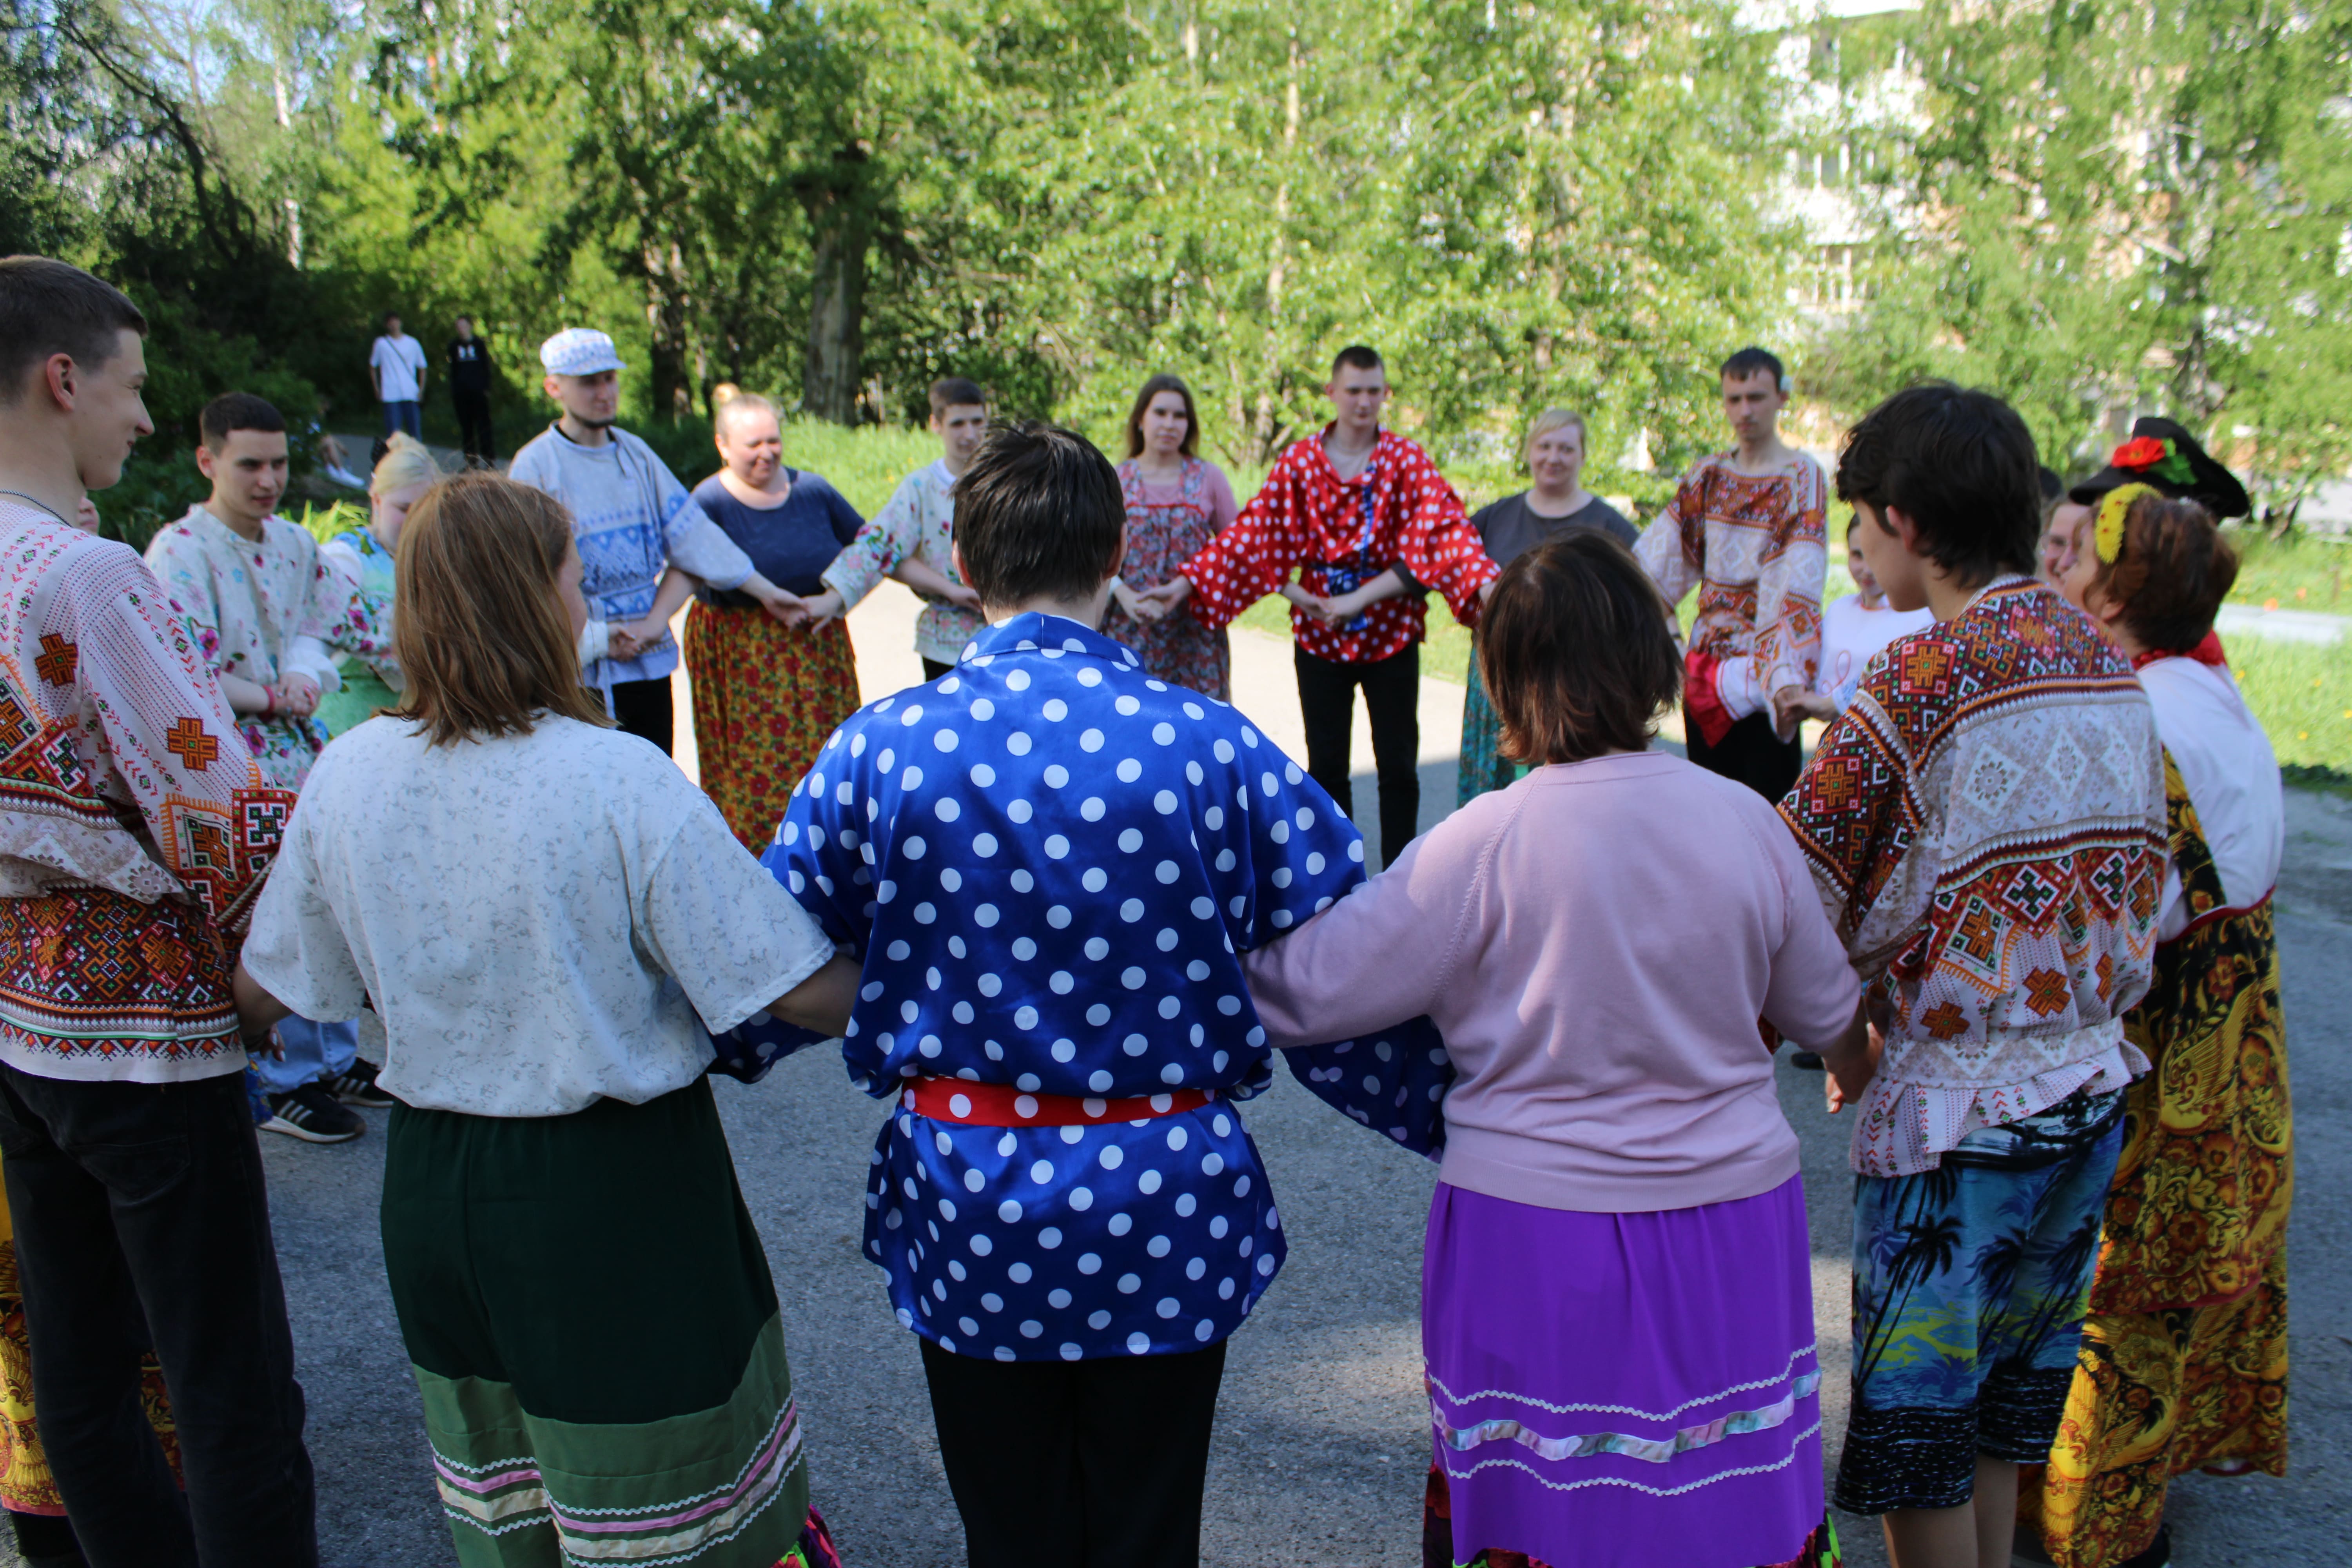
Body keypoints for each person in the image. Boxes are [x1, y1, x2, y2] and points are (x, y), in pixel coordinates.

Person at [756, 421, 1446, 1568]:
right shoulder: (1209, 746)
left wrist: (915, 1003)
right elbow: (1351, 955)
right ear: (1117, 560)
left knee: (1009, 1531)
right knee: (1145, 1531)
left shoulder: (883, 747)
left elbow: (766, 966)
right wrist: (1460, 1104)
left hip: (969, 1199)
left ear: (966, 569)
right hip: (1167, 1198)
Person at [232, 472, 858, 1568]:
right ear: (536, 598)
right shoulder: (616, 778)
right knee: (669, 1513)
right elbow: (789, 987)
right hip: (613, 1194)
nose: (585, 599)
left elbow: (270, 994)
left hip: (434, 1188)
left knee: (511, 1510)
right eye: (573, 576)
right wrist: (948, 968)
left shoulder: (349, 773)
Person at [1243, 531, 1857, 1568]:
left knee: (1547, 1511)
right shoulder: (1747, 822)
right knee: (1720, 1502)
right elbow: (1829, 1015)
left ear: (1507, 678)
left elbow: (1306, 992)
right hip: (1732, 1228)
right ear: (1651, 661)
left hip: (1531, 1235)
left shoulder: (1483, 843)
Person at [1777, 383, 2168, 1568]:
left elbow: (1793, 884)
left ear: (1902, 519)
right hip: (2091, 1087)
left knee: (1915, 1434)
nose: (1857, 549)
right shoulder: (2105, 667)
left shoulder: (1918, 677)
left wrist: (1840, 1038)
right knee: (2004, 1406)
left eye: (1861, 524)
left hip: (1959, 1117)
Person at [0, 254, 316, 1565]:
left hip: (18, 1015)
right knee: (225, 1375)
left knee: (77, 1365)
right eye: (132, 391)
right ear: (63, 380)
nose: (143, 421)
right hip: (146, 1030)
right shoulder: (87, 576)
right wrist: (285, 967)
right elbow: (224, 814)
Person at [2023, 439, 2287, 1568]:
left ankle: (2100, 1533)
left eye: (2086, 557)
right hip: (2234, 1034)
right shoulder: (2205, 689)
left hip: (2168, 1049)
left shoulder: (2143, 722)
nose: (2065, 569)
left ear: (2119, 597)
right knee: (2166, 1284)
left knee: (2120, 1287)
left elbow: (2119, 932)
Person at [1138, 345, 1497, 868]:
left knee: (1398, 766)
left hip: (1390, 636)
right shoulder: (1301, 462)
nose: (1364, 401)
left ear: (1385, 394)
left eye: (1375, 391)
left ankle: (1401, 879)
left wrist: (1489, 587)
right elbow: (1254, 535)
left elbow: (1444, 531)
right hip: (1319, 638)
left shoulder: (1405, 460)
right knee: (1327, 768)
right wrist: (1187, 585)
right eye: (1354, 390)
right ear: (1332, 393)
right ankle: (1341, 877)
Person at [145, 392, 392, 1144]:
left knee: (327, 895)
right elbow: (173, 666)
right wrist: (269, 693)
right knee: (269, 916)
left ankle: (336, 1054)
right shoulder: (178, 553)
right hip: (227, 762)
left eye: (280, 463)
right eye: (250, 464)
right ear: (208, 460)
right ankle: (284, 1079)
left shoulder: (293, 544)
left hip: (301, 754)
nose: (268, 480)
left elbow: (354, 624)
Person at [506, 327, 806, 752]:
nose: (604, 392)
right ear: (554, 387)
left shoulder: (637, 455)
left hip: (644, 660)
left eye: (609, 378)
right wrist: (590, 638)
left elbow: (692, 541)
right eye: (588, 382)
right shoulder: (535, 466)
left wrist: (766, 593)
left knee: (652, 774)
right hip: (574, 667)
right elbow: (523, 577)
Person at [1633, 346, 1828, 800]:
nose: (1745, 410)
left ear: (1781, 397)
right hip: (1705, 669)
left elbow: (1795, 585)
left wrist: (1781, 673)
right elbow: (1651, 566)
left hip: (1766, 675)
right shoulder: (1708, 474)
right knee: (1709, 808)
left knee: (1769, 811)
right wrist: (1673, 644)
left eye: (1756, 397)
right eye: (1734, 399)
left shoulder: (1801, 477)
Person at [684, 392, 866, 848]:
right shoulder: (709, 500)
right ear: (723, 446)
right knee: (753, 767)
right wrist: (652, 625)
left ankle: (830, 851)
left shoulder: (813, 490)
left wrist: (839, 596)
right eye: (752, 444)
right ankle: (757, 861)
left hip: (816, 646)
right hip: (743, 651)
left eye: (773, 440)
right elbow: (684, 566)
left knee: (828, 759)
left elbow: (874, 546)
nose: (766, 452)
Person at [1455, 408, 1636, 804]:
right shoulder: (1496, 517)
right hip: (1499, 686)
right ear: (1529, 451)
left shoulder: (1609, 526)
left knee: (1562, 807)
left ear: (1583, 455)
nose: (1554, 457)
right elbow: (1449, 563)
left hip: (1575, 691)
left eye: (1566, 448)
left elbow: (1639, 603)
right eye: (1545, 446)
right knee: (1493, 807)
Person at [806, 376, 990, 679]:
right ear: (936, 424)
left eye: (977, 422)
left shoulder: (1007, 481)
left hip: (1006, 632)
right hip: (944, 641)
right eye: (958, 424)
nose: (969, 434)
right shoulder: (921, 487)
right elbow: (882, 547)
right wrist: (950, 590)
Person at [1100, 373, 1237, 698]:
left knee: (1197, 731)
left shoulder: (1209, 477)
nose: (1169, 423)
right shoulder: (1116, 478)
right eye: (1160, 413)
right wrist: (1124, 595)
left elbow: (1235, 549)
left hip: (1194, 634)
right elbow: (1093, 551)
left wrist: (1187, 584)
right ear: (1140, 420)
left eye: (1179, 415)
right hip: (1129, 627)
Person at [316, 432, 434, 738]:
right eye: (404, 508)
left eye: (425, 510)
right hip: (348, 727)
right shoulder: (347, 557)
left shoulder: (439, 561)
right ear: (377, 499)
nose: (414, 521)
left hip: (415, 731)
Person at [1775, 517, 1935, 727]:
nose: (1867, 570)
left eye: (1877, 556)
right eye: (1858, 555)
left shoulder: (1920, 617)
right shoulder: (1838, 610)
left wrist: (1836, 703)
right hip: (1835, 738)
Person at [368, 311, 428, 439]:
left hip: (410, 393)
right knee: (394, 436)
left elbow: (422, 367)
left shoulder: (413, 343)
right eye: (390, 323)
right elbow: (373, 366)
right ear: (387, 326)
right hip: (390, 394)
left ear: (400, 322)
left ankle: (417, 459)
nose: (394, 325)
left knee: (415, 434)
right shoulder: (381, 344)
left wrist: (421, 389)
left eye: (395, 321)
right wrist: (377, 388)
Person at [445, 315, 494, 466]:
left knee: (483, 426)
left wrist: (486, 387)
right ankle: (471, 461)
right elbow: (453, 370)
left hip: (478, 392)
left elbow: (486, 367)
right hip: (462, 393)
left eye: (464, 325)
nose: (461, 329)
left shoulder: (479, 344)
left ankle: (489, 459)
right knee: (467, 429)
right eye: (458, 326)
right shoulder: (454, 346)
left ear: (469, 326)